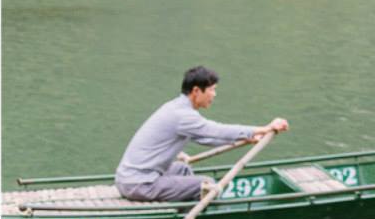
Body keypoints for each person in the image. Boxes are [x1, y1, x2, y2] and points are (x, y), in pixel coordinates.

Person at [116, 66, 288, 202]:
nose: (214, 94)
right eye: (212, 89)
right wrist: (264, 128)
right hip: (141, 184)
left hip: (129, 180)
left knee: (182, 168)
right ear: (197, 91)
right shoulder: (183, 115)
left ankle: (188, 205)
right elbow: (217, 130)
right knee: (207, 184)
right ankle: (197, 213)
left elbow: (208, 138)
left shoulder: (176, 107)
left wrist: (247, 137)